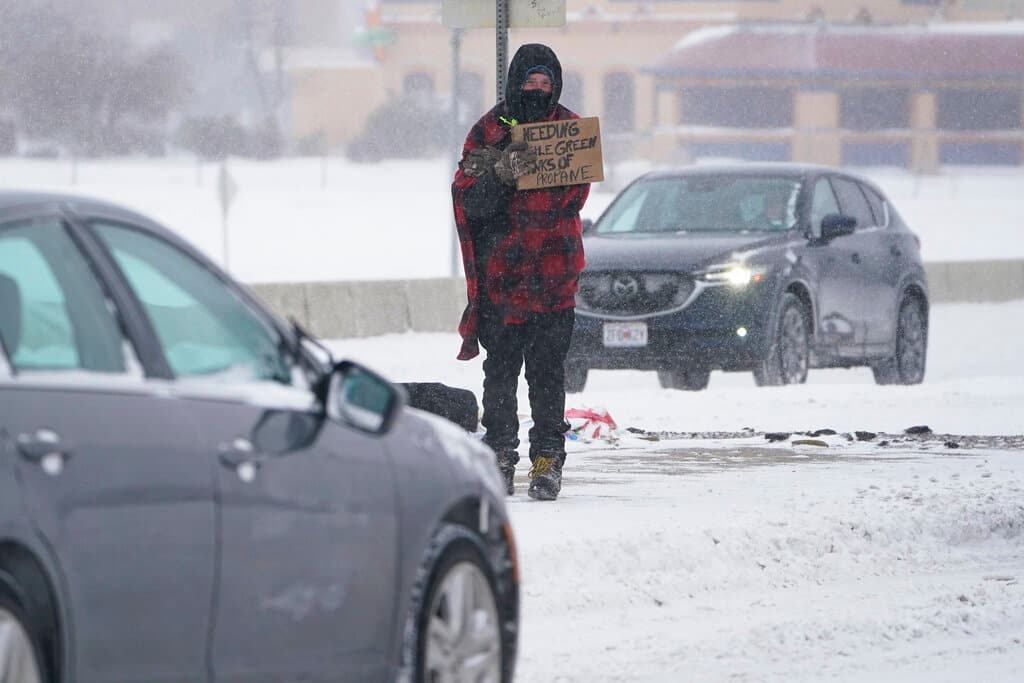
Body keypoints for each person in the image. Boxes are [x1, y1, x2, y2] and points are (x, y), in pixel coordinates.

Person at [451, 43, 590, 501]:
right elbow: (468, 195)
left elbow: (570, 197)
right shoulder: (490, 129)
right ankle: (500, 455)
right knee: (501, 372)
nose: (536, 89)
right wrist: (502, 173)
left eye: (545, 82)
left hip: (553, 278)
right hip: (502, 281)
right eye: (529, 81)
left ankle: (548, 459)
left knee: (548, 374)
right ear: (514, 82)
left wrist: (525, 174)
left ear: (556, 85)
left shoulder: (569, 131)